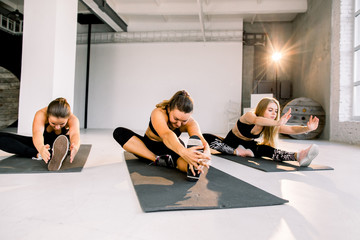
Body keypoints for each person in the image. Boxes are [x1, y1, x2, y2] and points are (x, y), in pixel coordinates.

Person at [113, 90, 211, 181]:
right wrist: (184, 152)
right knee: (119, 133)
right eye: (176, 119)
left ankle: (193, 168)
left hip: (172, 150)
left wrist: (205, 153)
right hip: (147, 147)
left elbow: (200, 139)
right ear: (169, 109)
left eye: (184, 121)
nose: (178, 124)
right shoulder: (158, 113)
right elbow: (166, 135)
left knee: (182, 160)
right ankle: (158, 159)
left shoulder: (191, 122)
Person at [204, 97, 320, 167]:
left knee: (265, 149)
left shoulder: (270, 124)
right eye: (270, 110)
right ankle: (236, 152)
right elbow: (257, 120)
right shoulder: (250, 115)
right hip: (229, 144)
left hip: (247, 148)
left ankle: (299, 156)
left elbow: (290, 129)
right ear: (261, 109)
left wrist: (307, 129)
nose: (274, 114)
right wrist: (277, 123)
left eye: (275, 111)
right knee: (206, 137)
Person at [0, 97, 80, 171]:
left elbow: (75, 134)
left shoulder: (73, 119)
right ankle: (40, 154)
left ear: (68, 117)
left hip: (60, 144)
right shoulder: (41, 114)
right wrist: (41, 148)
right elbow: (37, 134)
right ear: (48, 116)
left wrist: (75, 147)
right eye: (53, 123)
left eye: (62, 124)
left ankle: (57, 152)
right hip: (42, 143)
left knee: (65, 141)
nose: (57, 127)